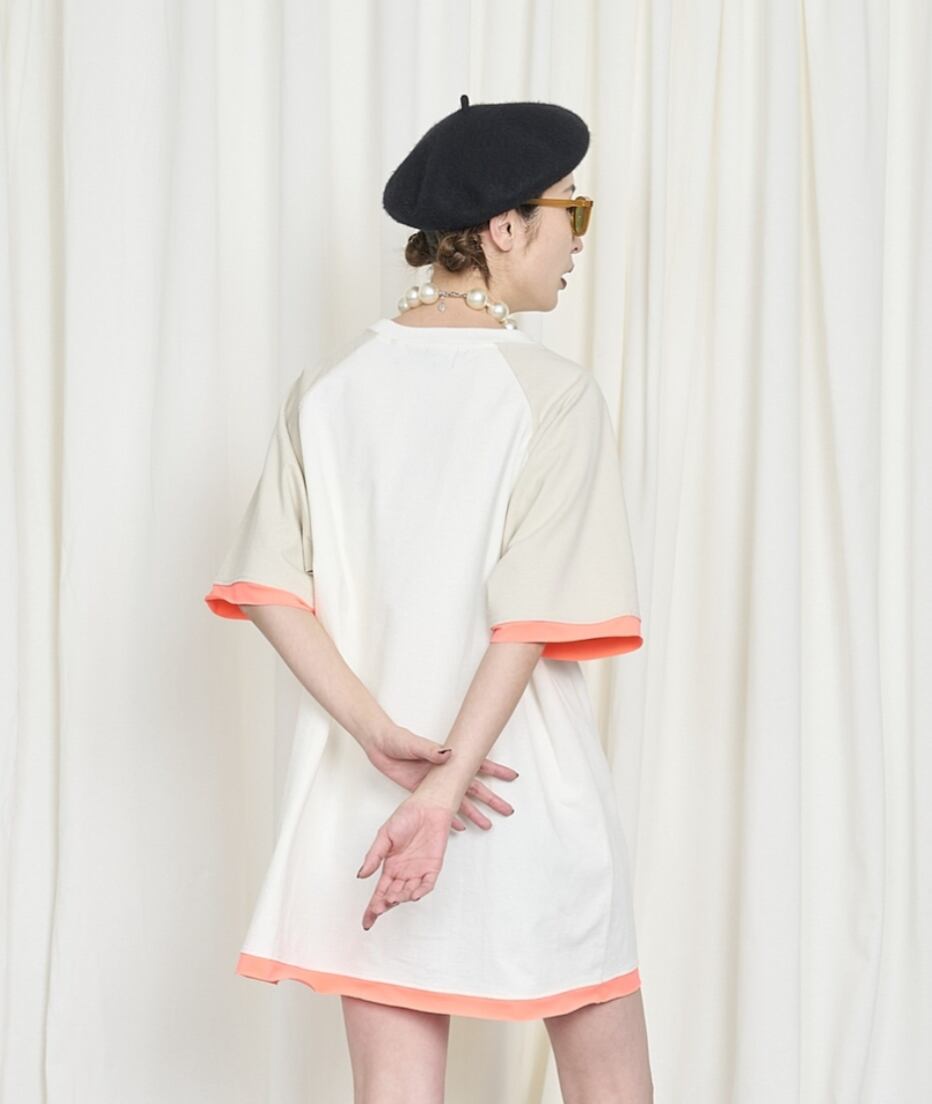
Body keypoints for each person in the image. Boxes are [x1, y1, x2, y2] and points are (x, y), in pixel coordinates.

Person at [204, 94, 653, 1104]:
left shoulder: (328, 389)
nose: (579, 241)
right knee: (609, 1085)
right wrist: (446, 796)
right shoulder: (552, 394)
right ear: (505, 229)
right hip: (519, 795)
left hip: (372, 806)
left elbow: (272, 589)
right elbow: (528, 619)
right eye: (570, 211)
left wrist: (379, 739)